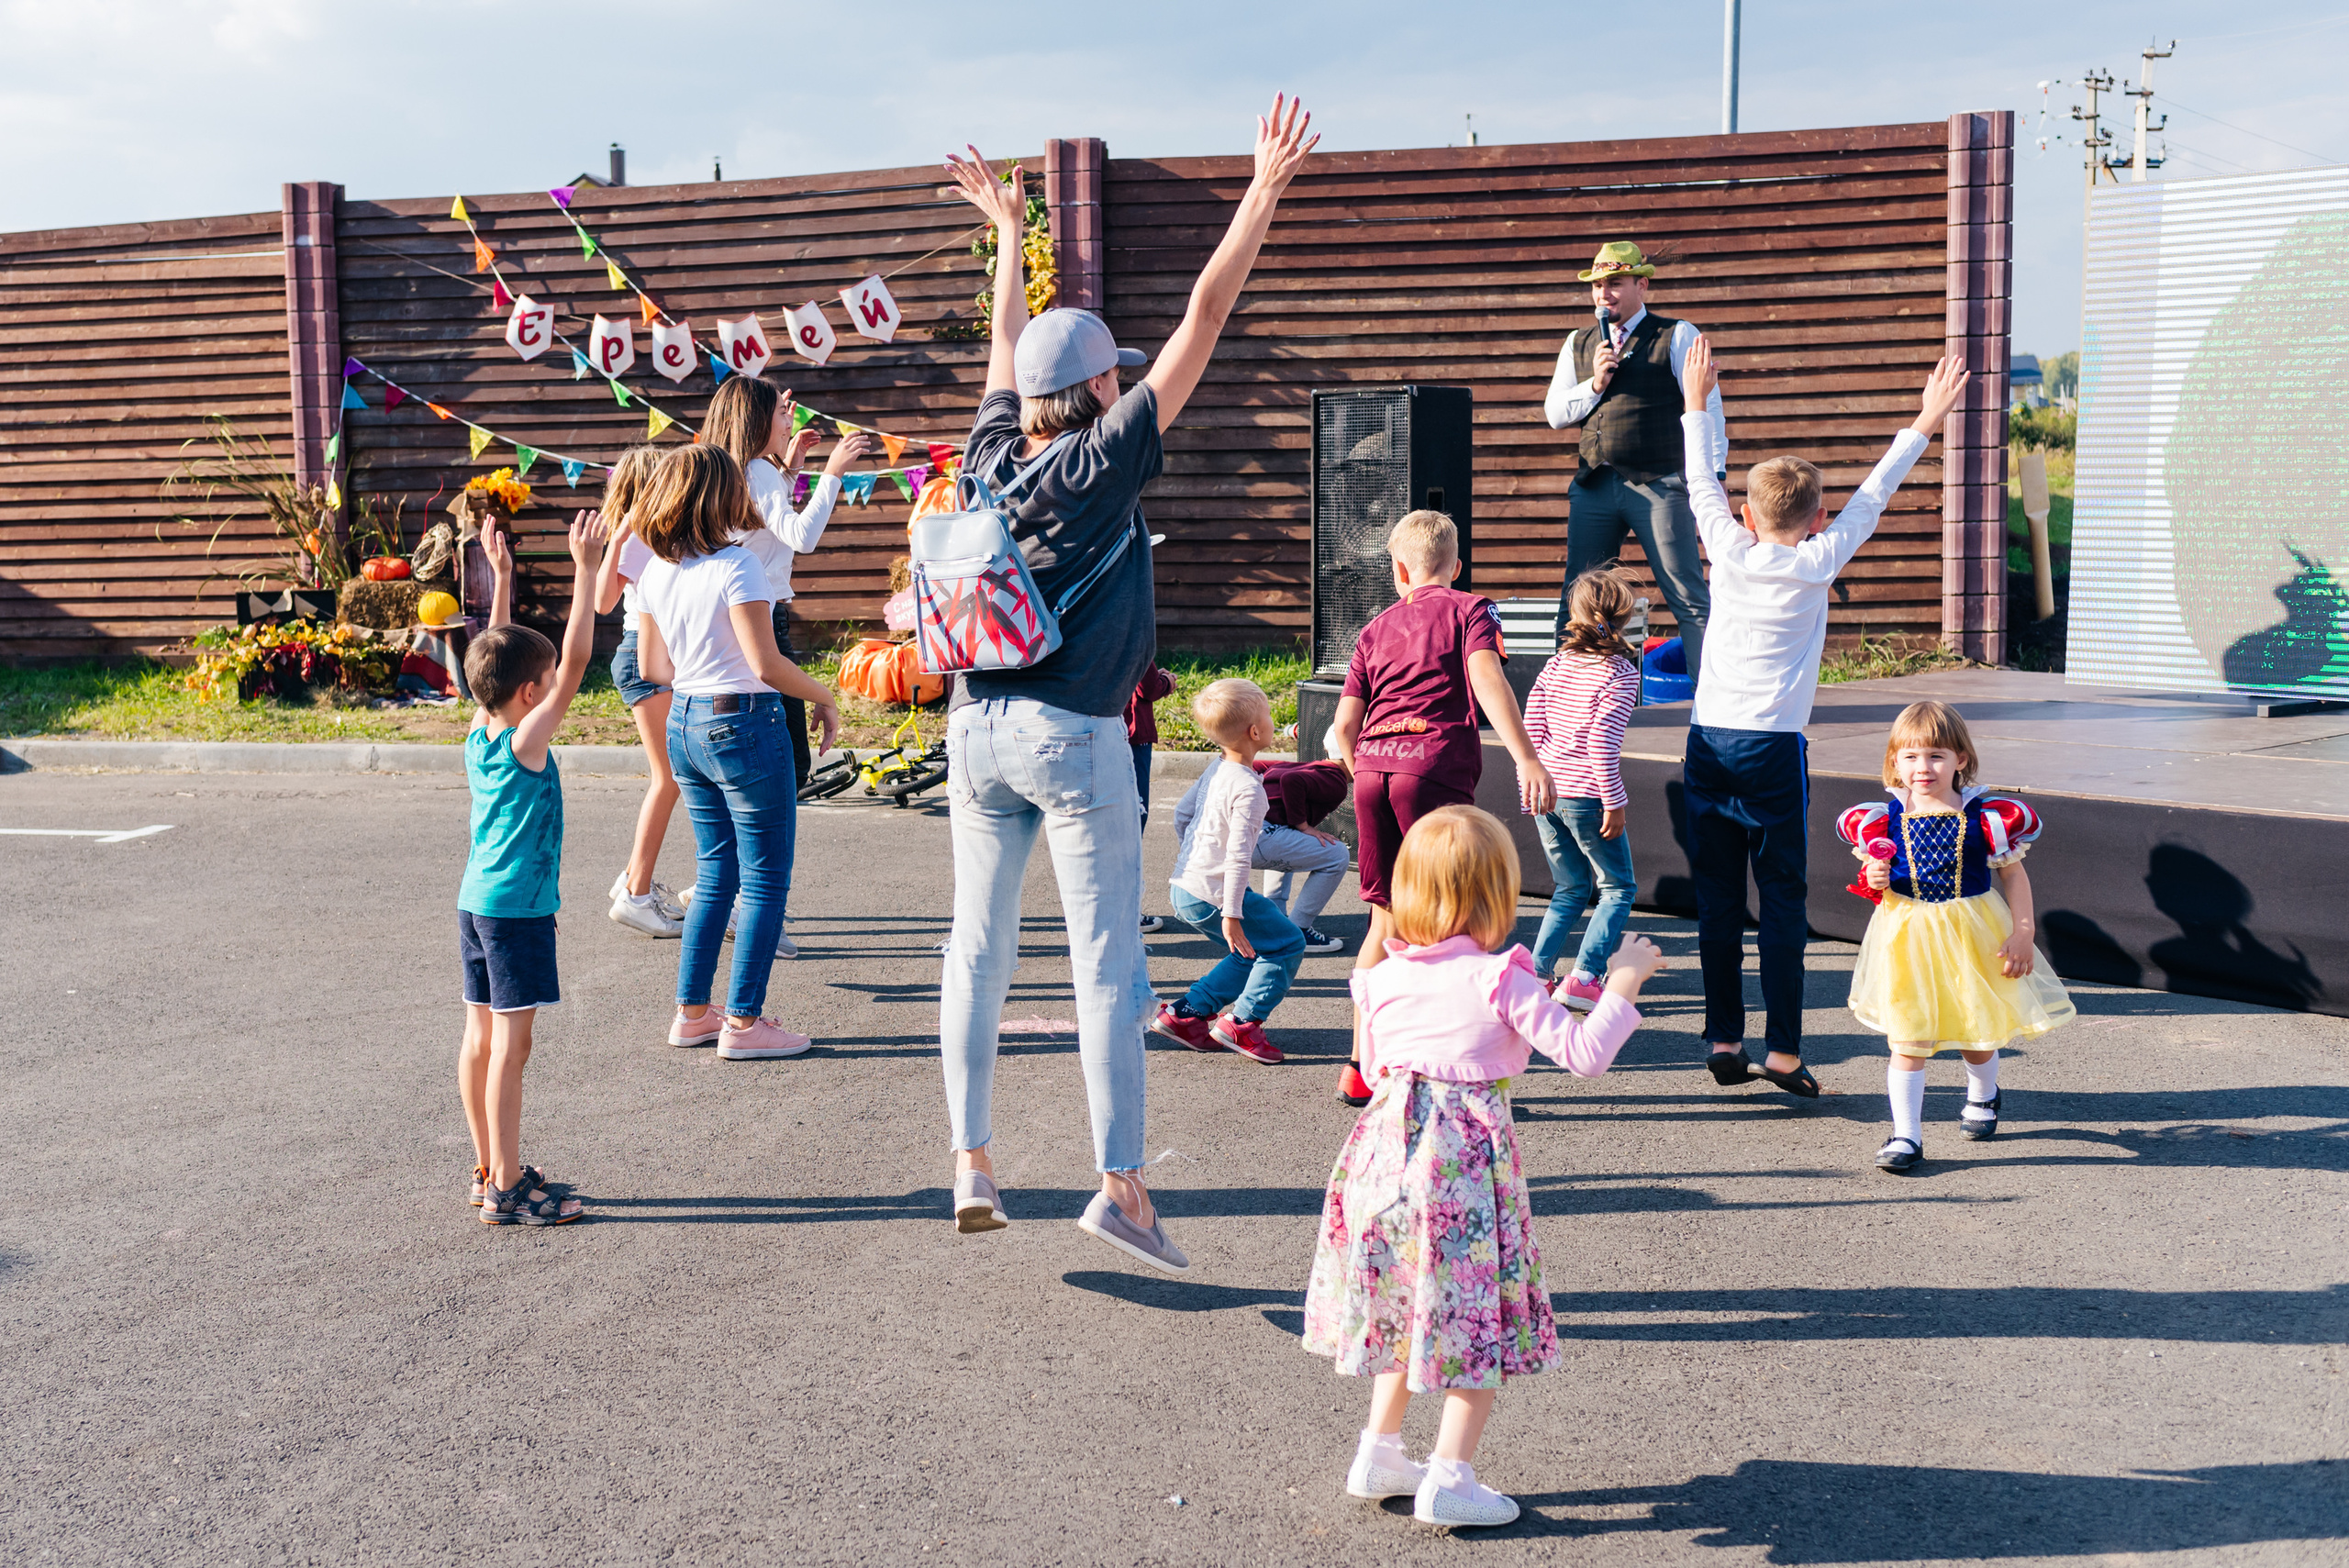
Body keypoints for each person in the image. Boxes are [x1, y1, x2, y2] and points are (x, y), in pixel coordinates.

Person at [935, 97, 1319, 1268]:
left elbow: (1006, 349)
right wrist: (1262, 189)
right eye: (1120, 376)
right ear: (1105, 388)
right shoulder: (1103, 459)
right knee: (1105, 959)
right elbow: (1207, 310)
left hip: (974, 724)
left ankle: (971, 1158)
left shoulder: (990, 455)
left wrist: (1010, 235)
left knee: (976, 949)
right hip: (1073, 734)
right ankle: (1121, 1187)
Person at [1302, 806, 1664, 1529]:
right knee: (1473, 1319)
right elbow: (1583, 1055)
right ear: (1498, 892)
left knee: (1405, 1303)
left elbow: (1372, 1067)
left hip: (1381, 1162)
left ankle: (1379, 1450)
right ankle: (1450, 1477)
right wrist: (1623, 981)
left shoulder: (1378, 977)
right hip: (1459, 1172)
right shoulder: (1499, 977)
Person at [1675, 336, 1971, 1096]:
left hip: (1710, 743)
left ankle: (1723, 1036)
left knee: (1717, 899)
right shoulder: (1820, 559)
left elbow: (1699, 480)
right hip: (1774, 751)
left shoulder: (1727, 546)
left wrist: (1696, 402)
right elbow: (1876, 493)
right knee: (1781, 899)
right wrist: (1926, 420)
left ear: (1746, 513)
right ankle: (1781, 1051)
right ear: (1819, 518)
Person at [622, 445, 844, 1062]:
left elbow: (653, 667)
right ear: (721, 497)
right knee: (765, 877)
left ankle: (693, 1014)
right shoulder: (737, 565)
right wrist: (826, 694)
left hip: (686, 722)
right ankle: (744, 1024)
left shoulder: (656, 571)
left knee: (717, 870)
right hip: (743, 721)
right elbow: (766, 664)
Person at [1330, 509, 1554, 1108]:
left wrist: (1366, 769)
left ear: (1399, 571)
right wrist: (1527, 757)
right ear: (1456, 567)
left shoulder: (1374, 627)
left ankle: (1360, 1066)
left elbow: (1344, 726)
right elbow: (1486, 678)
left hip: (1374, 768)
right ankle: (1457, 1064)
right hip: (1432, 767)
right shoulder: (1471, 609)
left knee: (1385, 920)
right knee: (1455, 916)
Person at [1840, 701, 2076, 1173]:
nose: (1922, 768)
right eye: (1910, 756)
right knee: (1907, 1038)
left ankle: (1983, 1094)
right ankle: (1906, 1135)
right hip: (1906, 938)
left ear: (1960, 759)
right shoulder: (1882, 819)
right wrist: (1876, 877)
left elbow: (2013, 876)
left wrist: (2023, 932)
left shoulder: (1985, 816)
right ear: (1894, 761)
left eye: (1936, 756)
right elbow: (1876, 882)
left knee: (1976, 1028)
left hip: (1972, 933)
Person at [456, 510, 607, 1228]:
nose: (554, 688)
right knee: (511, 1052)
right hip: (513, 913)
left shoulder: (480, 728)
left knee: (480, 1041)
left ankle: (488, 1166)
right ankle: (508, 1188)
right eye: (542, 684)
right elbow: (573, 664)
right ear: (529, 695)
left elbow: (492, 656)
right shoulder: (524, 741)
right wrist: (585, 570)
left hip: (476, 905)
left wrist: (504, 580)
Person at [704, 373, 879, 959]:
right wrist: (833, 473)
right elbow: (799, 537)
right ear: (758, 421)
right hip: (763, 620)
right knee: (783, 769)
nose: (791, 421)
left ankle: (729, 894)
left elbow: (765, 528)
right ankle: (749, 904)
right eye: (783, 414)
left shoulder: (742, 471)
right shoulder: (756, 472)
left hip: (741, 618)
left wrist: (794, 467)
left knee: (760, 769)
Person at [1542, 241, 1727, 682]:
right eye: (1597, 285)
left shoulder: (1677, 334)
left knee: (1686, 594)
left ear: (1642, 285)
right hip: (1595, 485)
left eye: (1615, 283)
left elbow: (1710, 408)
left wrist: (1714, 474)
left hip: (1658, 482)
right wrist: (1594, 384)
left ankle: (1715, 698)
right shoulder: (1579, 342)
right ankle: (1566, 695)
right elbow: (1554, 414)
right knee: (1578, 596)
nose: (1603, 294)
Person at [1152, 679, 1307, 1065]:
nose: (1272, 720)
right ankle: (1243, 1024)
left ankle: (1185, 1015)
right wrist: (1232, 913)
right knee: (1286, 943)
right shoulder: (1250, 790)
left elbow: (1182, 814)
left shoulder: (1217, 768)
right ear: (1255, 732)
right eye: (1268, 715)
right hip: (1217, 893)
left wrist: (1195, 858)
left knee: (1249, 952)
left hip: (1187, 887)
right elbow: (1237, 858)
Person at [1521, 567, 1642, 1008]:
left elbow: (1531, 727)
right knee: (1618, 888)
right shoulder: (1621, 673)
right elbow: (1601, 743)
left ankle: (1537, 975)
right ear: (1624, 616)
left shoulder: (1557, 664)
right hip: (1587, 796)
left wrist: (1528, 789)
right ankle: (1585, 978)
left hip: (1547, 793)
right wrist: (1615, 802)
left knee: (1570, 887)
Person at [591, 445, 686, 940]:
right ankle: (637, 895)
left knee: (673, 778)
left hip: (657, 656)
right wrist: (620, 534)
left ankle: (632, 879)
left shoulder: (658, 531)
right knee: (668, 779)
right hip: (644, 656)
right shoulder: (638, 535)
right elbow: (603, 601)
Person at [1251, 757, 1353, 953]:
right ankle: (1299, 930)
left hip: (1245, 829)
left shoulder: (1299, 765)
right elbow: (1291, 781)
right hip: (1258, 838)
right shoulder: (1337, 779)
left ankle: (1276, 921)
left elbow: (1255, 765)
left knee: (1289, 834)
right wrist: (1304, 826)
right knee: (1338, 855)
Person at [1127, 663, 1176, 933]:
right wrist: (1167, 681)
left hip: (1093, 731)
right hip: (1132, 733)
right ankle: (1128, 912)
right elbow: (1148, 688)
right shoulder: (1132, 635)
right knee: (1133, 824)